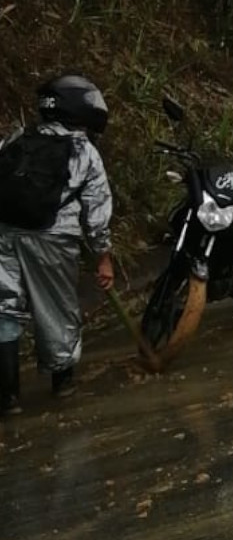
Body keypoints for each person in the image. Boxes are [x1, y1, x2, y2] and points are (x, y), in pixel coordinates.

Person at [0, 75, 115, 415]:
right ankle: (62, 385)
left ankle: (8, 398)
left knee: (4, 308)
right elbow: (96, 213)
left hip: (4, 232)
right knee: (57, 309)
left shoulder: (18, 137)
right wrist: (103, 258)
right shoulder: (84, 151)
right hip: (52, 238)